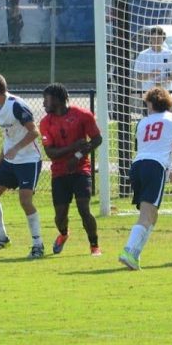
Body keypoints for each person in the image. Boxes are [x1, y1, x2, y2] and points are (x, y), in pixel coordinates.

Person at [119, 86, 172, 270]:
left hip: (137, 166)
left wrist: (169, 174)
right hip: (155, 168)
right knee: (146, 215)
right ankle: (128, 251)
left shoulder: (142, 123)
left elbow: (150, 150)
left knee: (152, 216)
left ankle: (135, 256)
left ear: (151, 103)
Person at [0, 74, 45, 259]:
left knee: (25, 201)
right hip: (10, 162)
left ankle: (38, 244)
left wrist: (16, 149)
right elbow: (8, 136)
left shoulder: (16, 105)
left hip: (28, 160)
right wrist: (2, 157)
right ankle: (1, 239)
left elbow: (35, 132)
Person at [39, 83, 103, 256]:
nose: (44, 103)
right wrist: (73, 148)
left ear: (58, 100)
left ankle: (94, 246)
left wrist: (78, 156)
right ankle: (64, 234)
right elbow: (50, 153)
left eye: (47, 99)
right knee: (60, 216)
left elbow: (97, 139)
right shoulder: (45, 123)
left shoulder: (83, 115)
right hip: (59, 173)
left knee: (84, 208)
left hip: (81, 170)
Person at [132, 26, 172, 91]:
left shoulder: (170, 54)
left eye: (159, 38)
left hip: (166, 92)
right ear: (150, 39)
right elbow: (138, 77)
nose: (156, 40)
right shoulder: (142, 55)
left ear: (163, 39)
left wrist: (164, 80)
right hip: (148, 93)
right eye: (153, 38)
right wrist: (150, 75)